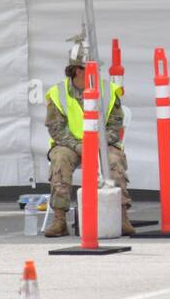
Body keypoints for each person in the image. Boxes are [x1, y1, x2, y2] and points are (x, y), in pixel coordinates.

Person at [44, 53, 133, 237]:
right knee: (60, 159)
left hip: (102, 144)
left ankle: (122, 217)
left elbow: (115, 126)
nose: (97, 74)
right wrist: (79, 146)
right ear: (78, 71)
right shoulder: (57, 93)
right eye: (92, 69)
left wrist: (96, 144)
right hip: (69, 145)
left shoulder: (108, 90)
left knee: (114, 160)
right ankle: (60, 220)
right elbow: (56, 129)